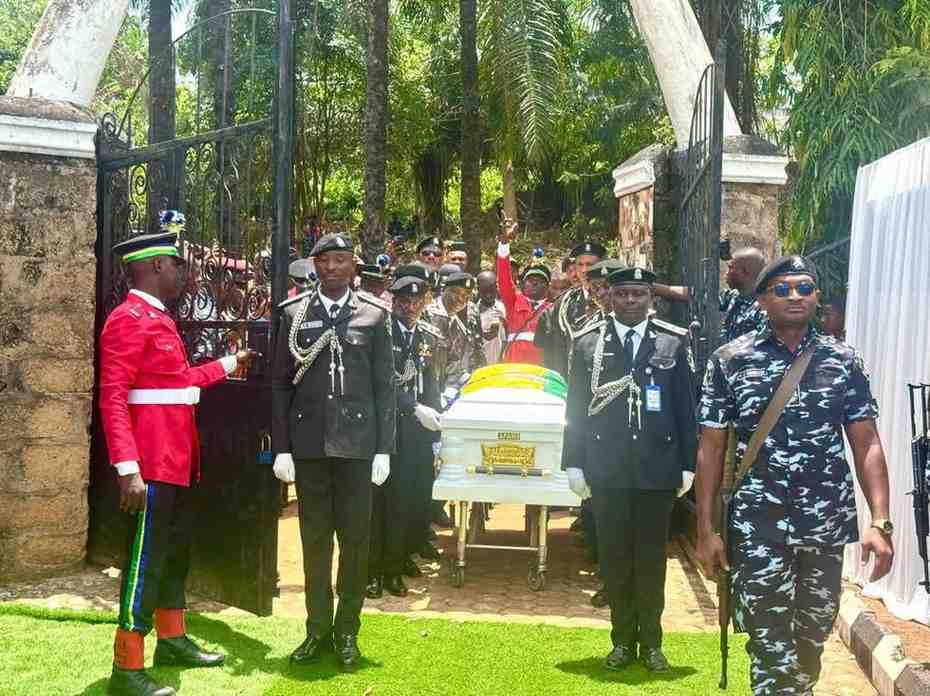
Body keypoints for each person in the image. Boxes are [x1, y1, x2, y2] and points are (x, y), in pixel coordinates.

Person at [695, 255, 894, 695]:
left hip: (824, 526)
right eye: (783, 289)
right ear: (762, 299)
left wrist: (881, 522)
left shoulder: (843, 360)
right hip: (757, 525)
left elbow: (867, 443)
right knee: (769, 642)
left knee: (811, 636)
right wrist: (706, 530)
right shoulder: (731, 360)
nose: (795, 297)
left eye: (805, 288)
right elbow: (710, 449)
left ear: (816, 296)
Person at [100, 211, 257, 696]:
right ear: (155, 267)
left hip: (177, 460)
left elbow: (177, 383)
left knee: (173, 554)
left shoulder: (158, 319)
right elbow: (113, 397)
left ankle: (171, 641)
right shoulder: (127, 320)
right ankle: (126, 666)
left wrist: (228, 363)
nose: (182, 273)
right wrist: (128, 469)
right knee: (144, 562)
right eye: (176, 264)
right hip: (149, 465)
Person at [271, 232, 396, 671]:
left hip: (358, 449)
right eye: (325, 260)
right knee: (315, 543)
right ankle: (317, 629)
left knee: (355, 544)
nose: (332, 268)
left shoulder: (374, 316)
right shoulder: (294, 314)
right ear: (315, 266)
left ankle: (347, 632)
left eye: (341, 260)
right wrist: (281, 448)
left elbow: (385, 389)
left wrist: (384, 450)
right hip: (310, 447)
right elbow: (280, 386)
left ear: (353, 266)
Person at [564, 266, 697, 674]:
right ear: (610, 297)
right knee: (615, 559)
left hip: (658, 470)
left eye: (638, 294)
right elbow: (575, 410)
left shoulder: (672, 341)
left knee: (652, 560)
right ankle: (622, 641)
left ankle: (652, 643)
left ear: (651, 299)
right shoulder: (589, 343)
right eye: (622, 293)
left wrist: (688, 466)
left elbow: (685, 409)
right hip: (607, 470)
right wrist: (573, 462)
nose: (630, 301)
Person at [367, 265, 442, 599]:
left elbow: (431, 385)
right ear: (393, 300)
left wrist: (436, 432)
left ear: (424, 302)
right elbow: (380, 382)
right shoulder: (379, 332)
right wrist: (413, 407)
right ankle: (371, 572)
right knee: (376, 504)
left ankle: (393, 568)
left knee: (405, 502)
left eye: (416, 301)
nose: (410, 307)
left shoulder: (426, 337)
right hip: (383, 428)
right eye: (403, 301)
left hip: (414, 433)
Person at [654, 246, 768, 343]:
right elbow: (694, 295)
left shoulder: (764, 307)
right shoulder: (733, 296)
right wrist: (653, 288)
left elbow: (763, 345)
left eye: (731, 267)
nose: (726, 272)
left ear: (745, 271)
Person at [535, 241, 606, 376]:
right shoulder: (563, 304)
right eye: (580, 265)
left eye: (590, 265)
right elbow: (553, 351)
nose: (584, 270)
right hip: (570, 379)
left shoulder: (615, 300)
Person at [495, 221, 551, 364]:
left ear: (547, 286)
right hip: (514, 366)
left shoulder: (553, 309)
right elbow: (504, 279)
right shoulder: (514, 301)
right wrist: (504, 244)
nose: (534, 283)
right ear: (522, 284)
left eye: (540, 280)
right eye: (530, 279)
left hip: (541, 370)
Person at [425, 271, 486, 395]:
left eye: (466, 295)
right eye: (456, 292)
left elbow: (453, 360)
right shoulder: (428, 315)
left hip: (445, 386)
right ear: (444, 290)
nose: (460, 299)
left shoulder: (455, 321)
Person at [477, 270, 507, 365]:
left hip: (500, 362)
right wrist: (487, 334)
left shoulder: (503, 308)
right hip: (480, 363)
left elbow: (506, 337)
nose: (488, 294)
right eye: (484, 290)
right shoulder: (473, 311)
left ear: (496, 288)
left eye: (492, 289)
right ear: (478, 289)